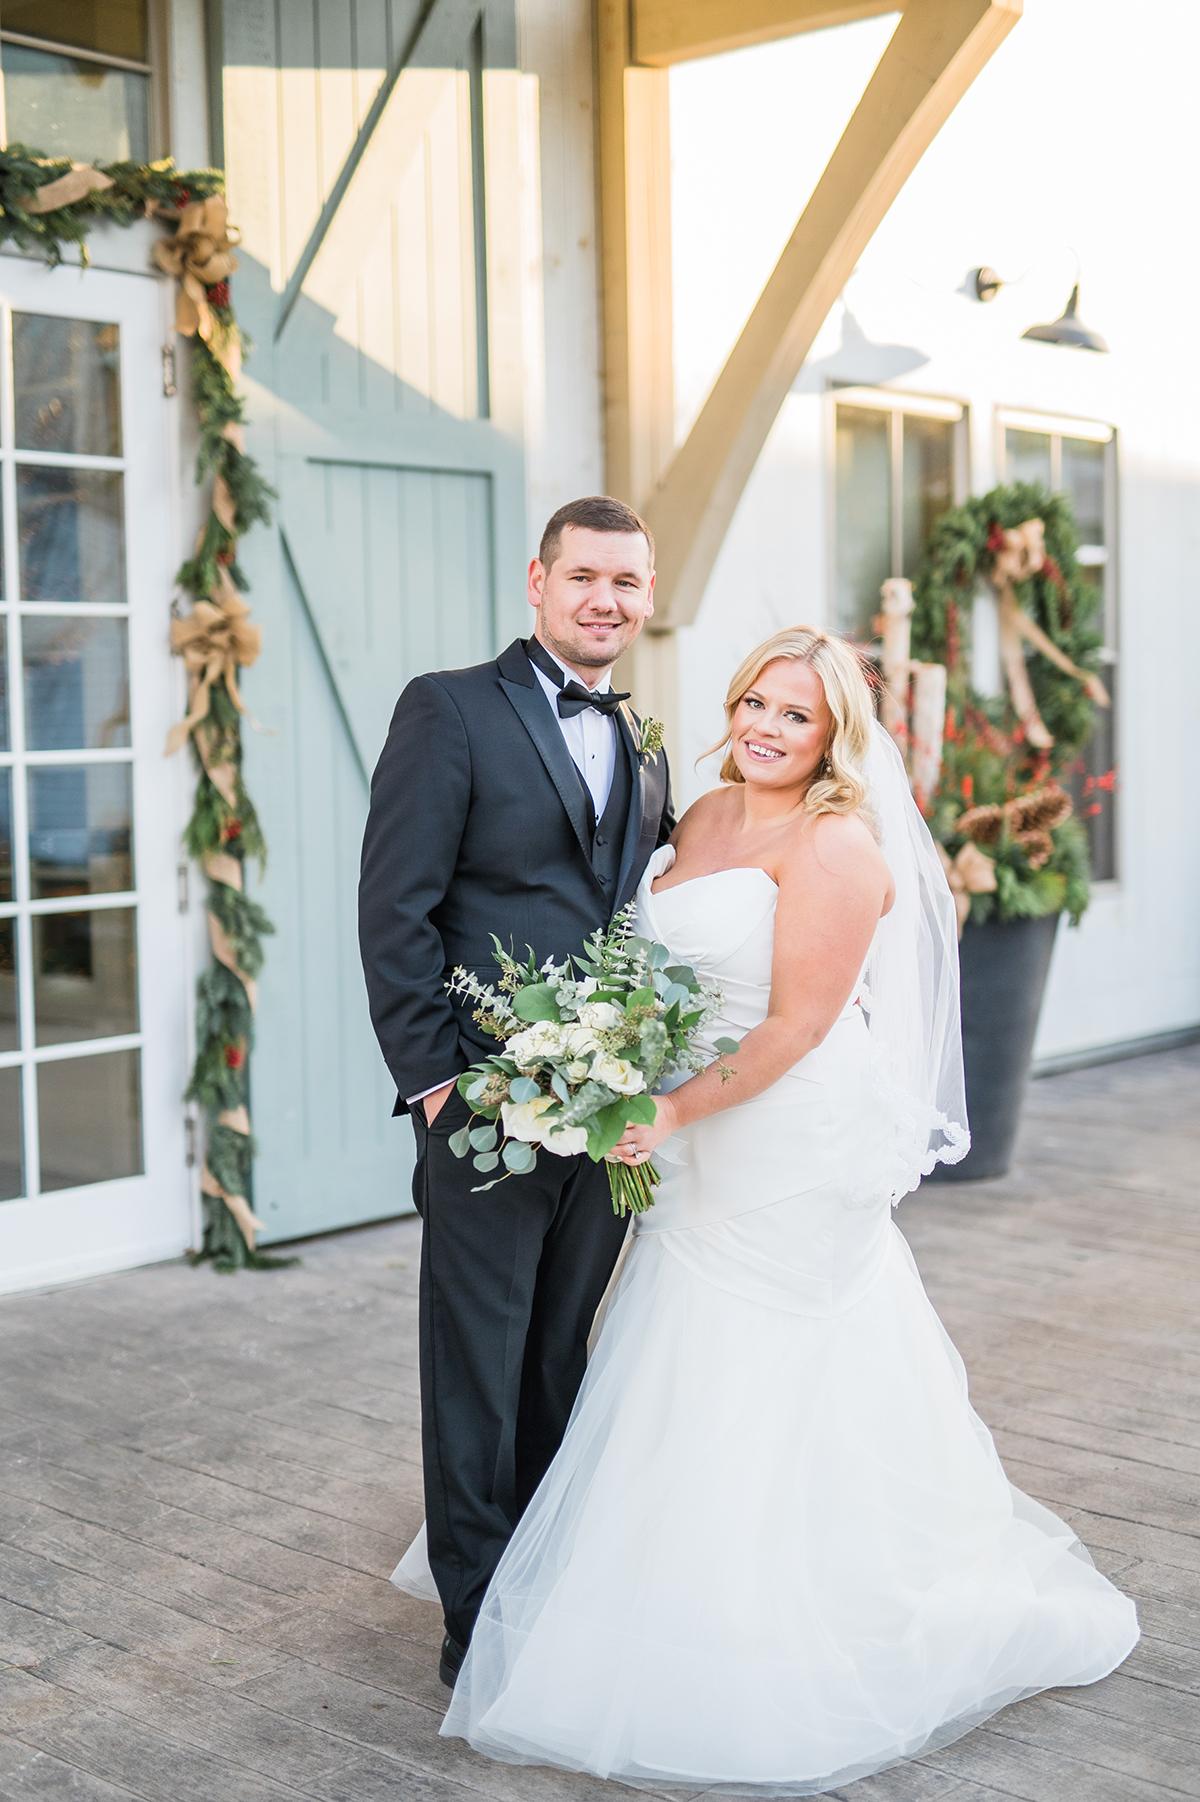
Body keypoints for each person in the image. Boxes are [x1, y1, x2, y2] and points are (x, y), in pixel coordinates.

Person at [431, 626, 1139, 1794]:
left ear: (834, 735)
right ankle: (660, 1584)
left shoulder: (838, 844)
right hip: (690, 1129)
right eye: (755, 701)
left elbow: (797, 1026)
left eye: (795, 714)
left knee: (757, 1354)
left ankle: (779, 1610)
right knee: (672, 1345)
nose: (765, 725)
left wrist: (666, 1108)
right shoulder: (703, 813)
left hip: (780, 1135)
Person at [357, 495, 673, 1690]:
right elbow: (395, 907)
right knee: (476, 1369)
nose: (605, 599)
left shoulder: (644, 740)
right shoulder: (448, 707)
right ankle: (479, 1619)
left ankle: (548, 1581)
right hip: (484, 1107)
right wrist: (439, 1086)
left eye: (627, 582)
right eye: (584, 575)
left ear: (648, 597)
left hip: (605, 1108)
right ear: (538, 582)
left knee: (556, 1357)